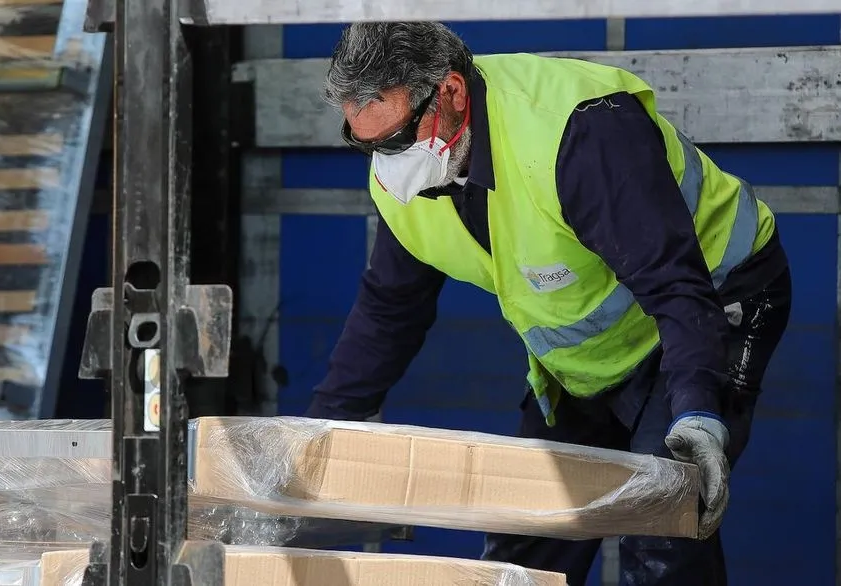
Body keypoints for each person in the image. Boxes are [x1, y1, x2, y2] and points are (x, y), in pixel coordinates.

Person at [304, 21, 792, 586]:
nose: (385, 164)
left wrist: (700, 414)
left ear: (452, 93)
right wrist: (319, 434)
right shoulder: (408, 179)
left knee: (662, 524)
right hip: (592, 356)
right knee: (527, 534)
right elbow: (390, 309)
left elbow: (675, 285)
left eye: (395, 141)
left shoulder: (577, 133)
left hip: (711, 302)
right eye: (364, 145)